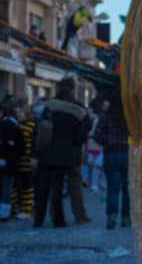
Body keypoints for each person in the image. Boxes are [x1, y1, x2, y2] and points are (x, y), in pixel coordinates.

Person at [34, 77, 90, 228]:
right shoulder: (79, 108)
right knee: (62, 187)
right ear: (72, 89)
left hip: (46, 152)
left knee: (43, 187)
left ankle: (38, 219)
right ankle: (62, 219)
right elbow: (82, 134)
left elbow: (41, 127)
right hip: (68, 155)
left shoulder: (49, 105)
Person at [94, 90, 130, 230]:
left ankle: (112, 217)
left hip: (111, 154)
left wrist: (106, 142)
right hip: (128, 154)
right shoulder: (129, 116)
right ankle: (126, 218)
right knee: (127, 188)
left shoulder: (105, 116)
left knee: (113, 188)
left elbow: (97, 136)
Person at [11, 101, 36, 219]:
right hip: (16, 160)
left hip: (26, 160)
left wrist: (32, 157)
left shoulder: (32, 125)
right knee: (15, 185)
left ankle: (27, 209)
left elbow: (34, 143)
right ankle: (14, 207)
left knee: (27, 184)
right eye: (17, 112)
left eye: (21, 112)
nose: (18, 114)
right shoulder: (15, 124)